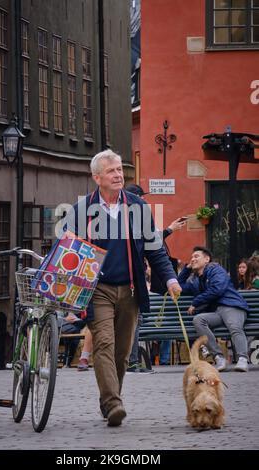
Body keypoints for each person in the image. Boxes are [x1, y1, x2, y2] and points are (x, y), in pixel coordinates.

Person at [61, 149, 181, 426]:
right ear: (97, 177)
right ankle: (113, 403)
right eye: (111, 171)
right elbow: (68, 252)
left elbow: (155, 249)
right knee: (103, 343)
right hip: (98, 289)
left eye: (119, 170)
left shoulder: (137, 206)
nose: (118, 175)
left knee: (122, 353)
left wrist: (171, 279)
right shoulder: (82, 210)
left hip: (130, 289)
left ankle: (110, 397)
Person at [125, 183, 187, 371]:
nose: (144, 200)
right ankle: (131, 360)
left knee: (137, 319)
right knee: (134, 320)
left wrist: (171, 279)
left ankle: (131, 360)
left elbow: (153, 245)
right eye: (142, 197)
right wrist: (169, 229)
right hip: (127, 280)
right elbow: (151, 242)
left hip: (136, 280)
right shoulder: (129, 217)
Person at [178, 246, 249, 372]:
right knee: (198, 320)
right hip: (217, 313)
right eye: (192, 257)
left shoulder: (216, 270)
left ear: (207, 259)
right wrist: (187, 269)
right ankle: (218, 357)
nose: (193, 259)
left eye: (196, 256)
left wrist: (195, 302)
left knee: (234, 326)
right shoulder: (195, 281)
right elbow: (179, 287)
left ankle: (242, 359)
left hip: (231, 305)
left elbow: (217, 289)